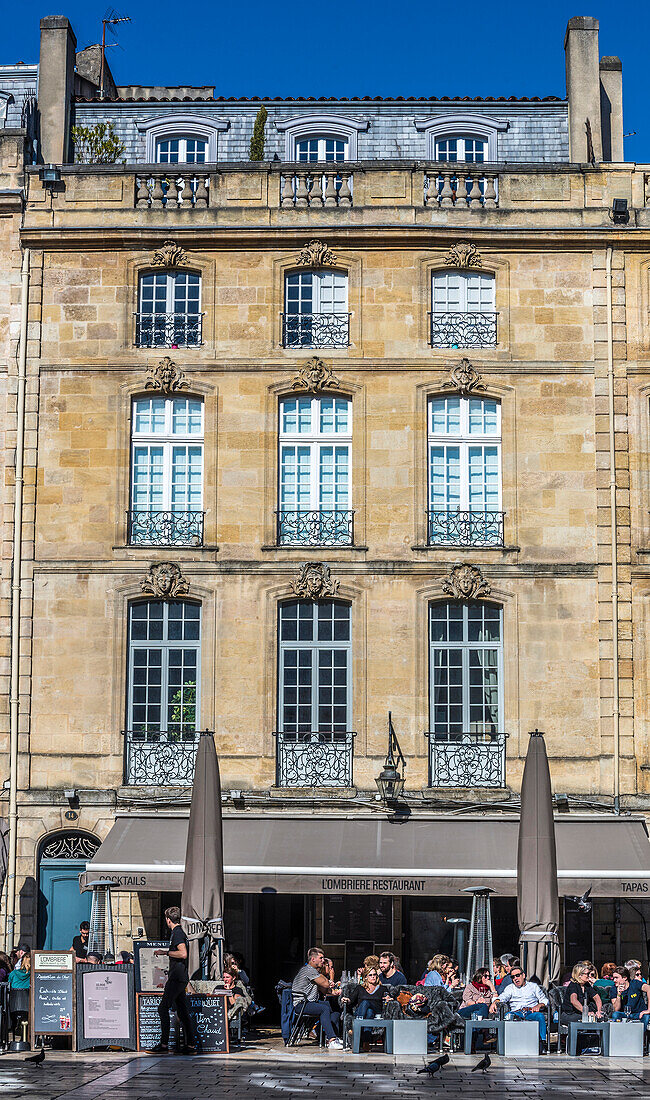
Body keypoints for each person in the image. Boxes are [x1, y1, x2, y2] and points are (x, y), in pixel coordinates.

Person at [151, 906, 196, 1055]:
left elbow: (183, 954)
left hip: (177, 977)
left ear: (168, 920)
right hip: (180, 977)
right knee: (183, 1012)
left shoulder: (177, 933)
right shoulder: (179, 933)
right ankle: (190, 1046)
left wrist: (165, 952)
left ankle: (164, 1044)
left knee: (162, 1008)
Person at [292, 947, 342, 1049]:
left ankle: (333, 1036)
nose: (323, 960)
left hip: (309, 1002)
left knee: (334, 1008)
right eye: (321, 958)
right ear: (313, 959)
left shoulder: (313, 971)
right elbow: (326, 984)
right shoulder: (308, 970)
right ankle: (331, 1040)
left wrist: (333, 991)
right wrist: (331, 978)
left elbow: (324, 989)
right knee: (324, 1009)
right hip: (302, 1004)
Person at [490, 963, 549, 1049]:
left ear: (523, 975)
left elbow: (544, 1000)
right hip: (517, 1013)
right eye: (513, 977)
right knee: (508, 1016)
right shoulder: (510, 988)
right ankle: (507, 1045)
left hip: (530, 1012)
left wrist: (539, 1005)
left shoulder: (533, 986)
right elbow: (503, 997)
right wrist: (495, 1002)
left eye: (517, 975)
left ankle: (542, 1043)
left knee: (540, 1016)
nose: (515, 979)